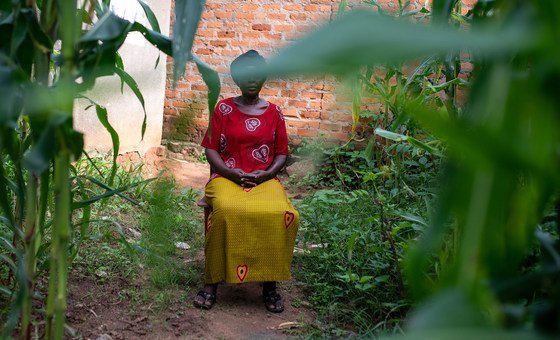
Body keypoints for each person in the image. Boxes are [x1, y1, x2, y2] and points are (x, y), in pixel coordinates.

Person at [192, 50, 299, 313]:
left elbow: (282, 153)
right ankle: (211, 282)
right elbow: (211, 149)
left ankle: (270, 284)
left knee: (282, 213)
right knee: (227, 211)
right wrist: (231, 174)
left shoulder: (274, 112)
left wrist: (266, 174)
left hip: (263, 179)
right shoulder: (224, 108)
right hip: (226, 177)